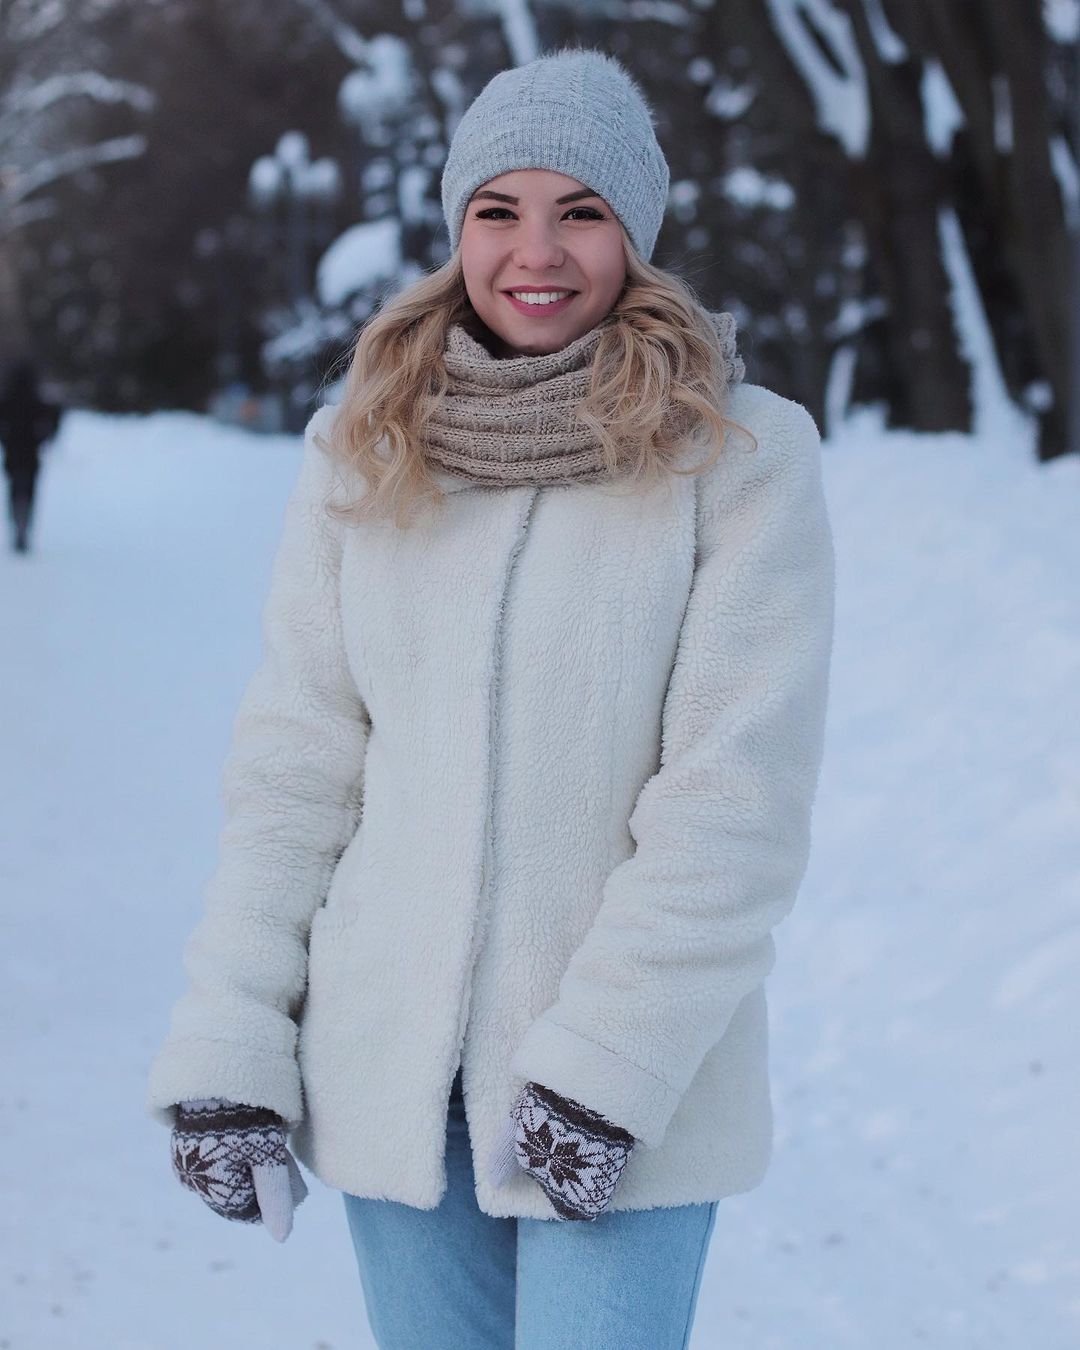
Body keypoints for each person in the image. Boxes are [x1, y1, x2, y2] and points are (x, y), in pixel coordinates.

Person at [147, 45, 836, 1350]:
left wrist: (606, 1069)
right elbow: (297, 774)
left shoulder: (737, 460)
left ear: (635, 232)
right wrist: (230, 1046)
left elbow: (732, 802)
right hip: (394, 1074)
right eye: (498, 210)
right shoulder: (366, 447)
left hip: (623, 1091)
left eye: (581, 211)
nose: (537, 251)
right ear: (456, 227)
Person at [0, 358, 61, 553]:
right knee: (27, 492)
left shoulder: (7, 400)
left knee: (15, 491)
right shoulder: (36, 401)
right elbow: (54, 417)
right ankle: (23, 528)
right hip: (30, 453)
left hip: (13, 452)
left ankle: (19, 528)